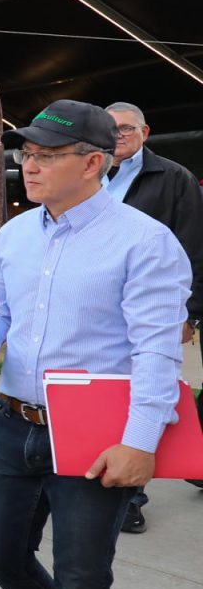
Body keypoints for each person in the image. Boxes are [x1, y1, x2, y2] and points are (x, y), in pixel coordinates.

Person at [0, 100, 189, 589]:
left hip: (95, 432)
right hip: (14, 422)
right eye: (27, 152)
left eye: (47, 155)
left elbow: (156, 351)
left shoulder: (144, 242)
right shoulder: (14, 235)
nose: (29, 164)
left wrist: (141, 440)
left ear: (94, 163)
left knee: (84, 583)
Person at [102, 101, 203, 534]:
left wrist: (189, 312)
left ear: (146, 132)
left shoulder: (173, 178)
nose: (118, 136)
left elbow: (193, 245)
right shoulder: (88, 171)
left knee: (148, 392)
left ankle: (132, 495)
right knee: (104, 393)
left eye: (127, 128)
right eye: (111, 129)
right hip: (100, 306)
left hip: (151, 306)